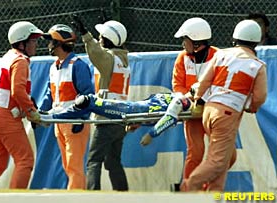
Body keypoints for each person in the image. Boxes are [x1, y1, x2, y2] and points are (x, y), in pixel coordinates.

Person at [180, 20, 267, 191]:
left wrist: (196, 97)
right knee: (218, 162)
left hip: (209, 110)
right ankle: (187, 190)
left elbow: (204, 81)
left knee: (226, 158)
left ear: (234, 39)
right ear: (256, 41)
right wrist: (253, 107)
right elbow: (260, 96)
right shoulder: (257, 65)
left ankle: (213, 195)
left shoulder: (221, 55)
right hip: (227, 114)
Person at [0, 21, 43, 188]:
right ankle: (15, 199)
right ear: (22, 43)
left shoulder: (9, 56)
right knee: (25, 160)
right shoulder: (21, 61)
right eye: (33, 40)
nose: (36, 44)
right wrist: (31, 111)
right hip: (4, 116)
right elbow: (18, 91)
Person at [72, 16, 130, 191]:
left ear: (107, 40)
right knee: (113, 162)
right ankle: (123, 194)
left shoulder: (109, 60)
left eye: (101, 36)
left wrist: (85, 35)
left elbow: (96, 53)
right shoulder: (122, 59)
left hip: (105, 119)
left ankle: (93, 196)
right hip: (120, 119)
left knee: (93, 160)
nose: (98, 39)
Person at [39, 24, 94, 189]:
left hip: (74, 123)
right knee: (68, 165)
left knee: (74, 166)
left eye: (51, 41)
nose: (48, 45)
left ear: (59, 43)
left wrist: (81, 118)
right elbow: (50, 93)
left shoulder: (78, 65)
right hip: (60, 124)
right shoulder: (54, 66)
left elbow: (88, 96)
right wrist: (41, 111)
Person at [40, 92, 193, 146]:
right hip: (133, 109)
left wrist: (144, 128)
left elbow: (164, 116)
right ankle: (50, 116)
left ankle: (50, 116)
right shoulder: (182, 99)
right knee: (88, 102)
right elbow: (165, 115)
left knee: (88, 102)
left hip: (133, 110)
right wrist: (146, 130)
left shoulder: (181, 100)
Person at [172, 17, 219, 185]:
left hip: (213, 113)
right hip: (192, 114)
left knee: (219, 154)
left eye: (185, 40)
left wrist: (203, 101)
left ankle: (210, 190)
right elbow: (177, 87)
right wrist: (188, 101)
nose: (183, 44)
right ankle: (189, 191)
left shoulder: (218, 57)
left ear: (197, 43)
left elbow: (220, 86)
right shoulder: (182, 58)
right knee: (196, 153)